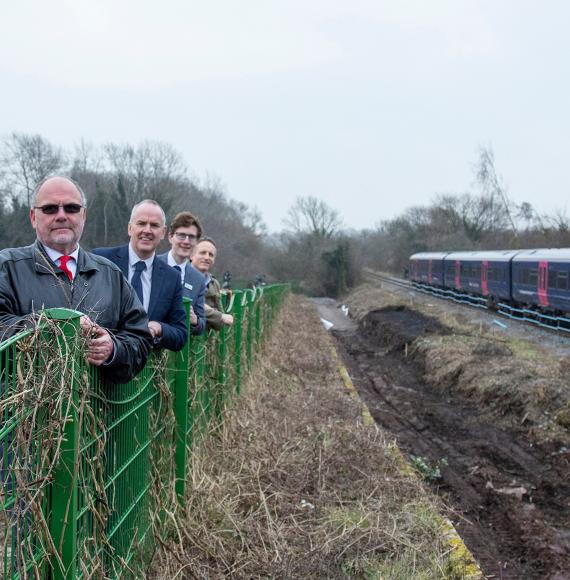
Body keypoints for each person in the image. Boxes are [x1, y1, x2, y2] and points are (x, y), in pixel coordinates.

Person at [0, 176, 152, 384]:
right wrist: (54, 326)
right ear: (33, 217)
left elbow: (140, 339)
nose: (61, 216)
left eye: (71, 208)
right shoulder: (7, 268)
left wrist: (113, 350)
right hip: (25, 412)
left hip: (97, 413)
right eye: (50, 209)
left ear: (84, 215)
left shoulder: (110, 275)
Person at [93, 200, 187, 351]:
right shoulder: (101, 260)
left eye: (154, 225)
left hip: (145, 370)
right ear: (130, 228)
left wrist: (159, 327)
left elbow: (180, 335)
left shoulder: (172, 278)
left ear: (163, 232)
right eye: (141, 223)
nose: (147, 230)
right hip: (99, 365)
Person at [157, 212, 206, 335]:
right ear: (170, 237)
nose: (186, 241)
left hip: (180, 350)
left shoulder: (198, 279)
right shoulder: (153, 264)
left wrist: (194, 320)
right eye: (181, 235)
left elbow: (202, 324)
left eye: (191, 237)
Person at [191, 237, 233, 331]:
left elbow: (221, 324)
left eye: (211, 255)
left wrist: (219, 317)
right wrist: (219, 316)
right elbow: (191, 304)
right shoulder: (181, 277)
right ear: (191, 255)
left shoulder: (214, 284)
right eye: (202, 253)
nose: (207, 257)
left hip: (206, 342)